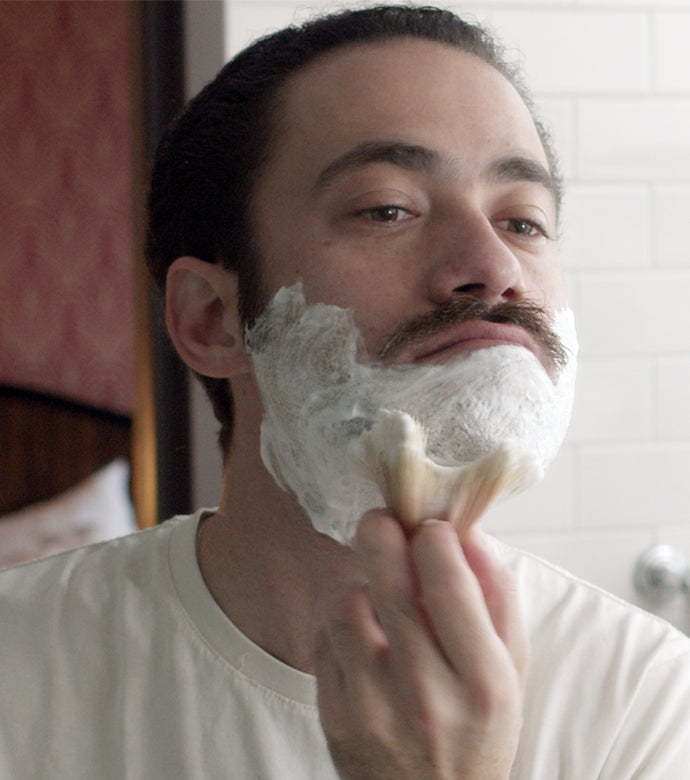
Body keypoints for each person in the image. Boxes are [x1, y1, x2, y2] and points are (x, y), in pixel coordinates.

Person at [2, 5, 690, 778]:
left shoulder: (648, 702)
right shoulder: (19, 668)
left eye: (522, 221)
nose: (494, 265)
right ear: (215, 319)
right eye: (388, 209)